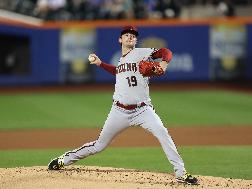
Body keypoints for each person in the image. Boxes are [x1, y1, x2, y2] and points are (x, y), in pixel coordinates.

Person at [48, 25, 198, 185]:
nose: (130, 37)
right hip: (119, 111)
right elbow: (119, 71)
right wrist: (101, 64)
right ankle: (64, 159)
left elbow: (166, 52)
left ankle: (181, 173)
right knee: (99, 145)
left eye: (133, 35)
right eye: (127, 35)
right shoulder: (121, 61)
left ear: (136, 40)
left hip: (143, 110)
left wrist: (163, 64)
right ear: (120, 39)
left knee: (163, 132)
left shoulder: (142, 53)